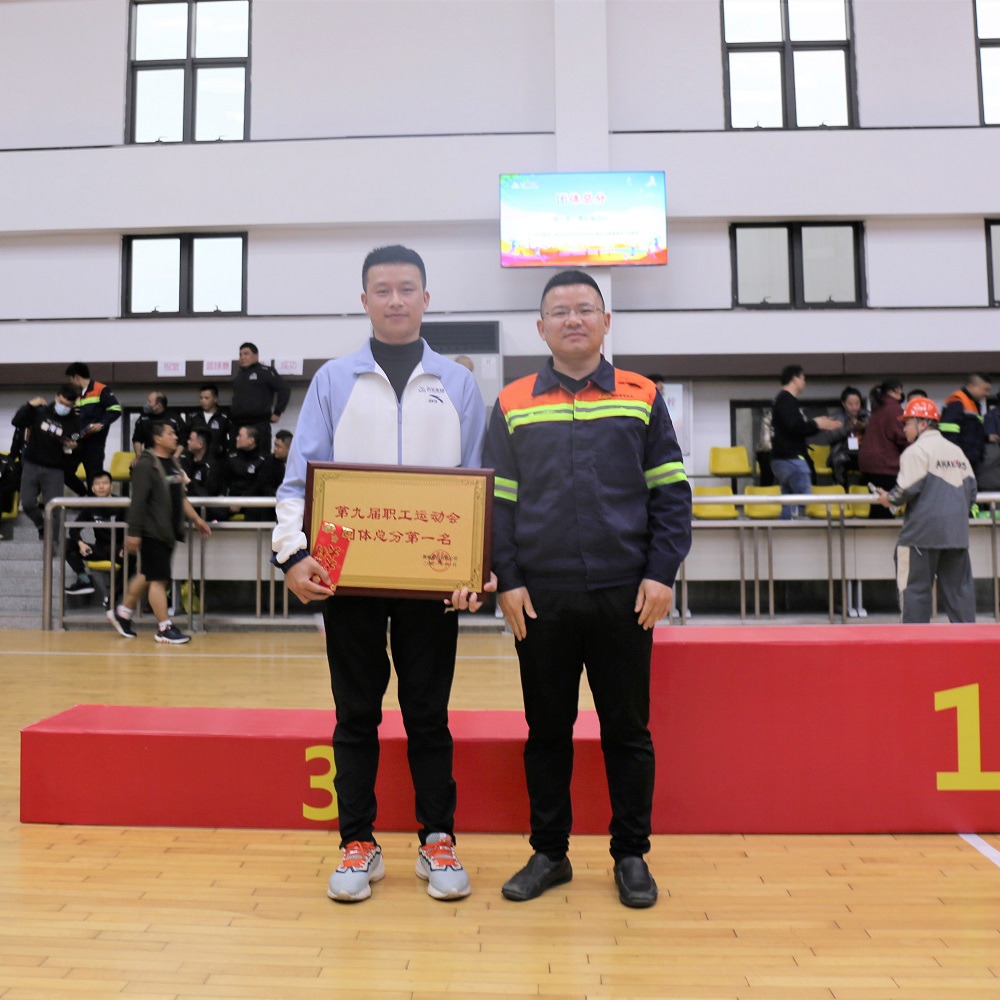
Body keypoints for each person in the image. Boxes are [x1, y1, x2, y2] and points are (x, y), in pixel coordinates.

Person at [271, 245, 486, 904]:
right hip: (348, 574)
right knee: (356, 714)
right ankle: (356, 843)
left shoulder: (459, 384)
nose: (396, 300)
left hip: (432, 579)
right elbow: (298, 480)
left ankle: (437, 839)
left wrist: (474, 566)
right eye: (383, 289)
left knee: (429, 715)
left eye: (407, 288)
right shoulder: (333, 381)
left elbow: (480, 484)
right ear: (364, 300)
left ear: (426, 298)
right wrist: (293, 554)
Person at [482, 269, 691, 909]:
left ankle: (631, 855)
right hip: (540, 600)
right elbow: (498, 503)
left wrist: (661, 572)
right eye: (559, 311)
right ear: (540, 327)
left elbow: (671, 494)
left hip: (626, 596)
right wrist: (507, 580)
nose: (573, 319)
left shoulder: (642, 396)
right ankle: (550, 853)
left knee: (627, 731)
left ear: (606, 321)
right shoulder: (513, 402)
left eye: (584, 309)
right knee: (547, 731)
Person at [107, 421, 211, 643]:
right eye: (170, 433)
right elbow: (138, 501)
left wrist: (196, 518)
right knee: (159, 579)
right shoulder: (146, 465)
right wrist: (133, 532)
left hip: (168, 531)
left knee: (147, 574)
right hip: (152, 530)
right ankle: (164, 627)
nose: (176, 437)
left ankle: (122, 612)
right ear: (158, 438)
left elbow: (180, 497)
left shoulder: (172, 463)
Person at [875, 397, 977, 623]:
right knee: (960, 594)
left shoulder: (915, 451)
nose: (904, 429)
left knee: (915, 592)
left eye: (907, 423)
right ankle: (969, 641)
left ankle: (915, 642)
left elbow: (903, 492)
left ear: (922, 424)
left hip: (920, 537)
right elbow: (971, 493)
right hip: (957, 534)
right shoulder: (957, 452)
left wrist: (887, 499)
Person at [770, 366, 841, 519]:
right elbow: (795, 427)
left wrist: (818, 425)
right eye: (803, 378)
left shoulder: (782, 400)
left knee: (789, 501)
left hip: (782, 458)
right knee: (804, 497)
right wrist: (816, 423)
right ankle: (796, 525)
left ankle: (787, 526)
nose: (804, 382)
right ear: (795, 379)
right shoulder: (786, 400)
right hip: (791, 458)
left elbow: (797, 429)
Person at [11, 384, 81, 539]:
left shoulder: (74, 421)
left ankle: (53, 542)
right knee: (27, 503)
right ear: (56, 397)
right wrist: (29, 405)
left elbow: (76, 441)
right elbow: (17, 421)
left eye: (68, 405)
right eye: (61, 402)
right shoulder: (40, 411)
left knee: (55, 508)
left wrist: (73, 446)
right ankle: (41, 525)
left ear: (73, 404)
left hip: (55, 468)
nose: (63, 407)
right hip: (31, 463)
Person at [65, 469, 126, 606]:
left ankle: (115, 595)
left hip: (119, 549)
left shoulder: (122, 504)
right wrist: (80, 543)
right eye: (97, 484)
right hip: (100, 549)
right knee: (67, 544)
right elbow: (73, 529)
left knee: (133, 555)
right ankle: (84, 580)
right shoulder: (91, 506)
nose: (101, 486)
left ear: (111, 486)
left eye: (104, 483)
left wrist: (124, 546)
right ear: (92, 488)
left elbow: (132, 529)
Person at [63, 362, 122, 496]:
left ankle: (93, 504)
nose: (71, 382)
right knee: (64, 470)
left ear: (76, 377)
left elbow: (115, 409)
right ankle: (85, 495)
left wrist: (101, 424)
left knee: (94, 478)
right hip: (77, 442)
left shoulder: (100, 389)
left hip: (94, 444)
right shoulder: (76, 394)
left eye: (71, 379)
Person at [859, 378, 907, 520]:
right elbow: (902, 437)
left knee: (877, 507)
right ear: (898, 390)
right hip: (885, 465)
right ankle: (880, 535)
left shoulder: (878, 407)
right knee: (885, 509)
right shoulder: (894, 409)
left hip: (869, 465)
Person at [230, 342, 290, 454]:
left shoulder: (266, 371)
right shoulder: (238, 376)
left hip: (259, 425)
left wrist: (278, 412)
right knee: (236, 460)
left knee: (262, 459)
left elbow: (284, 389)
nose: (242, 357)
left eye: (246, 353)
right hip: (238, 426)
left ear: (256, 355)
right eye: (240, 354)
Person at [222, 425, 274, 521]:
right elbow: (224, 480)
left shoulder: (264, 460)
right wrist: (222, 495)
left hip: (252, 501)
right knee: (214, 510)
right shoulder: (231, 458)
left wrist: (242, 501)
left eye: (240, 436)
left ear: (251, 440)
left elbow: (259, 485)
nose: (237, 438)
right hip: (232, 500)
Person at [940, 373, 991, 471]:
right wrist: (958, 459)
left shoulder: (973, 404)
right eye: (985, 389)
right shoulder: (957, 402)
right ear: (974, 386)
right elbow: (948, 433)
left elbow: (971, 431)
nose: (987, 394)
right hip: (960, 463)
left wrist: (987, 437)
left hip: (969, 460)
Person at [826, 386, 868, 488]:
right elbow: (830, 437)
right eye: (850, 404)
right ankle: (842, 491)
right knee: (839, 461)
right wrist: (846, 429)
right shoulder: (836, 418)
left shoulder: (866, 416)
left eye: (857, 403)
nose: (854, 407)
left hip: (862, 453)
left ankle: (866, 491)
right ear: (843, 403)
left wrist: (865, 427)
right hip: (843, 453)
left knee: (873, 461)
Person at [131, 392, 183, 463]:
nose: (147, 404)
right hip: (150, 458)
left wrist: (175, 457)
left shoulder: (174, 418)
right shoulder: (143, 418)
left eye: (149, 402)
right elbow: (137, 439)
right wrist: (138, 457)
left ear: (158, 405)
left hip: (170, 458)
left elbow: (183, 441)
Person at [187, 383, 231, 458]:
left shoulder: (224, 417)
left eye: (206, 398)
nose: (203, 401)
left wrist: (222, 447)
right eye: (201, 398)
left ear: (215, 399)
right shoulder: (194, 417)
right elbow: (186, 436)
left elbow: (232, 437)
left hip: (218, 459)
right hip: (197, 460)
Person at [180, 428, 221, 499]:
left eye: (191, 439)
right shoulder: (185, 459)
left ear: (200, 444)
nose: (188, 442)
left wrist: (188, 482)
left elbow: (207, 495)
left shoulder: (211, 466)